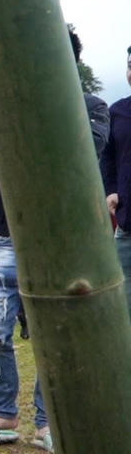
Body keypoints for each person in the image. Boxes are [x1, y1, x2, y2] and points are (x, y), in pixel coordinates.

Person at [0, 30, 108, 451]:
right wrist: (45, 155)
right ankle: (2, 415)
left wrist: (19, 150)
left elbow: (83, 155)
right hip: (3, 236)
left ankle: (48, 423)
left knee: (54, 335)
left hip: (61, 240)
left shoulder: (91, 107)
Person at [100, 44, 131, 320]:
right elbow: (107, 157)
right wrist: (111, 190)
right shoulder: (117, 112)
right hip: (127, 227)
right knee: (122, 305)